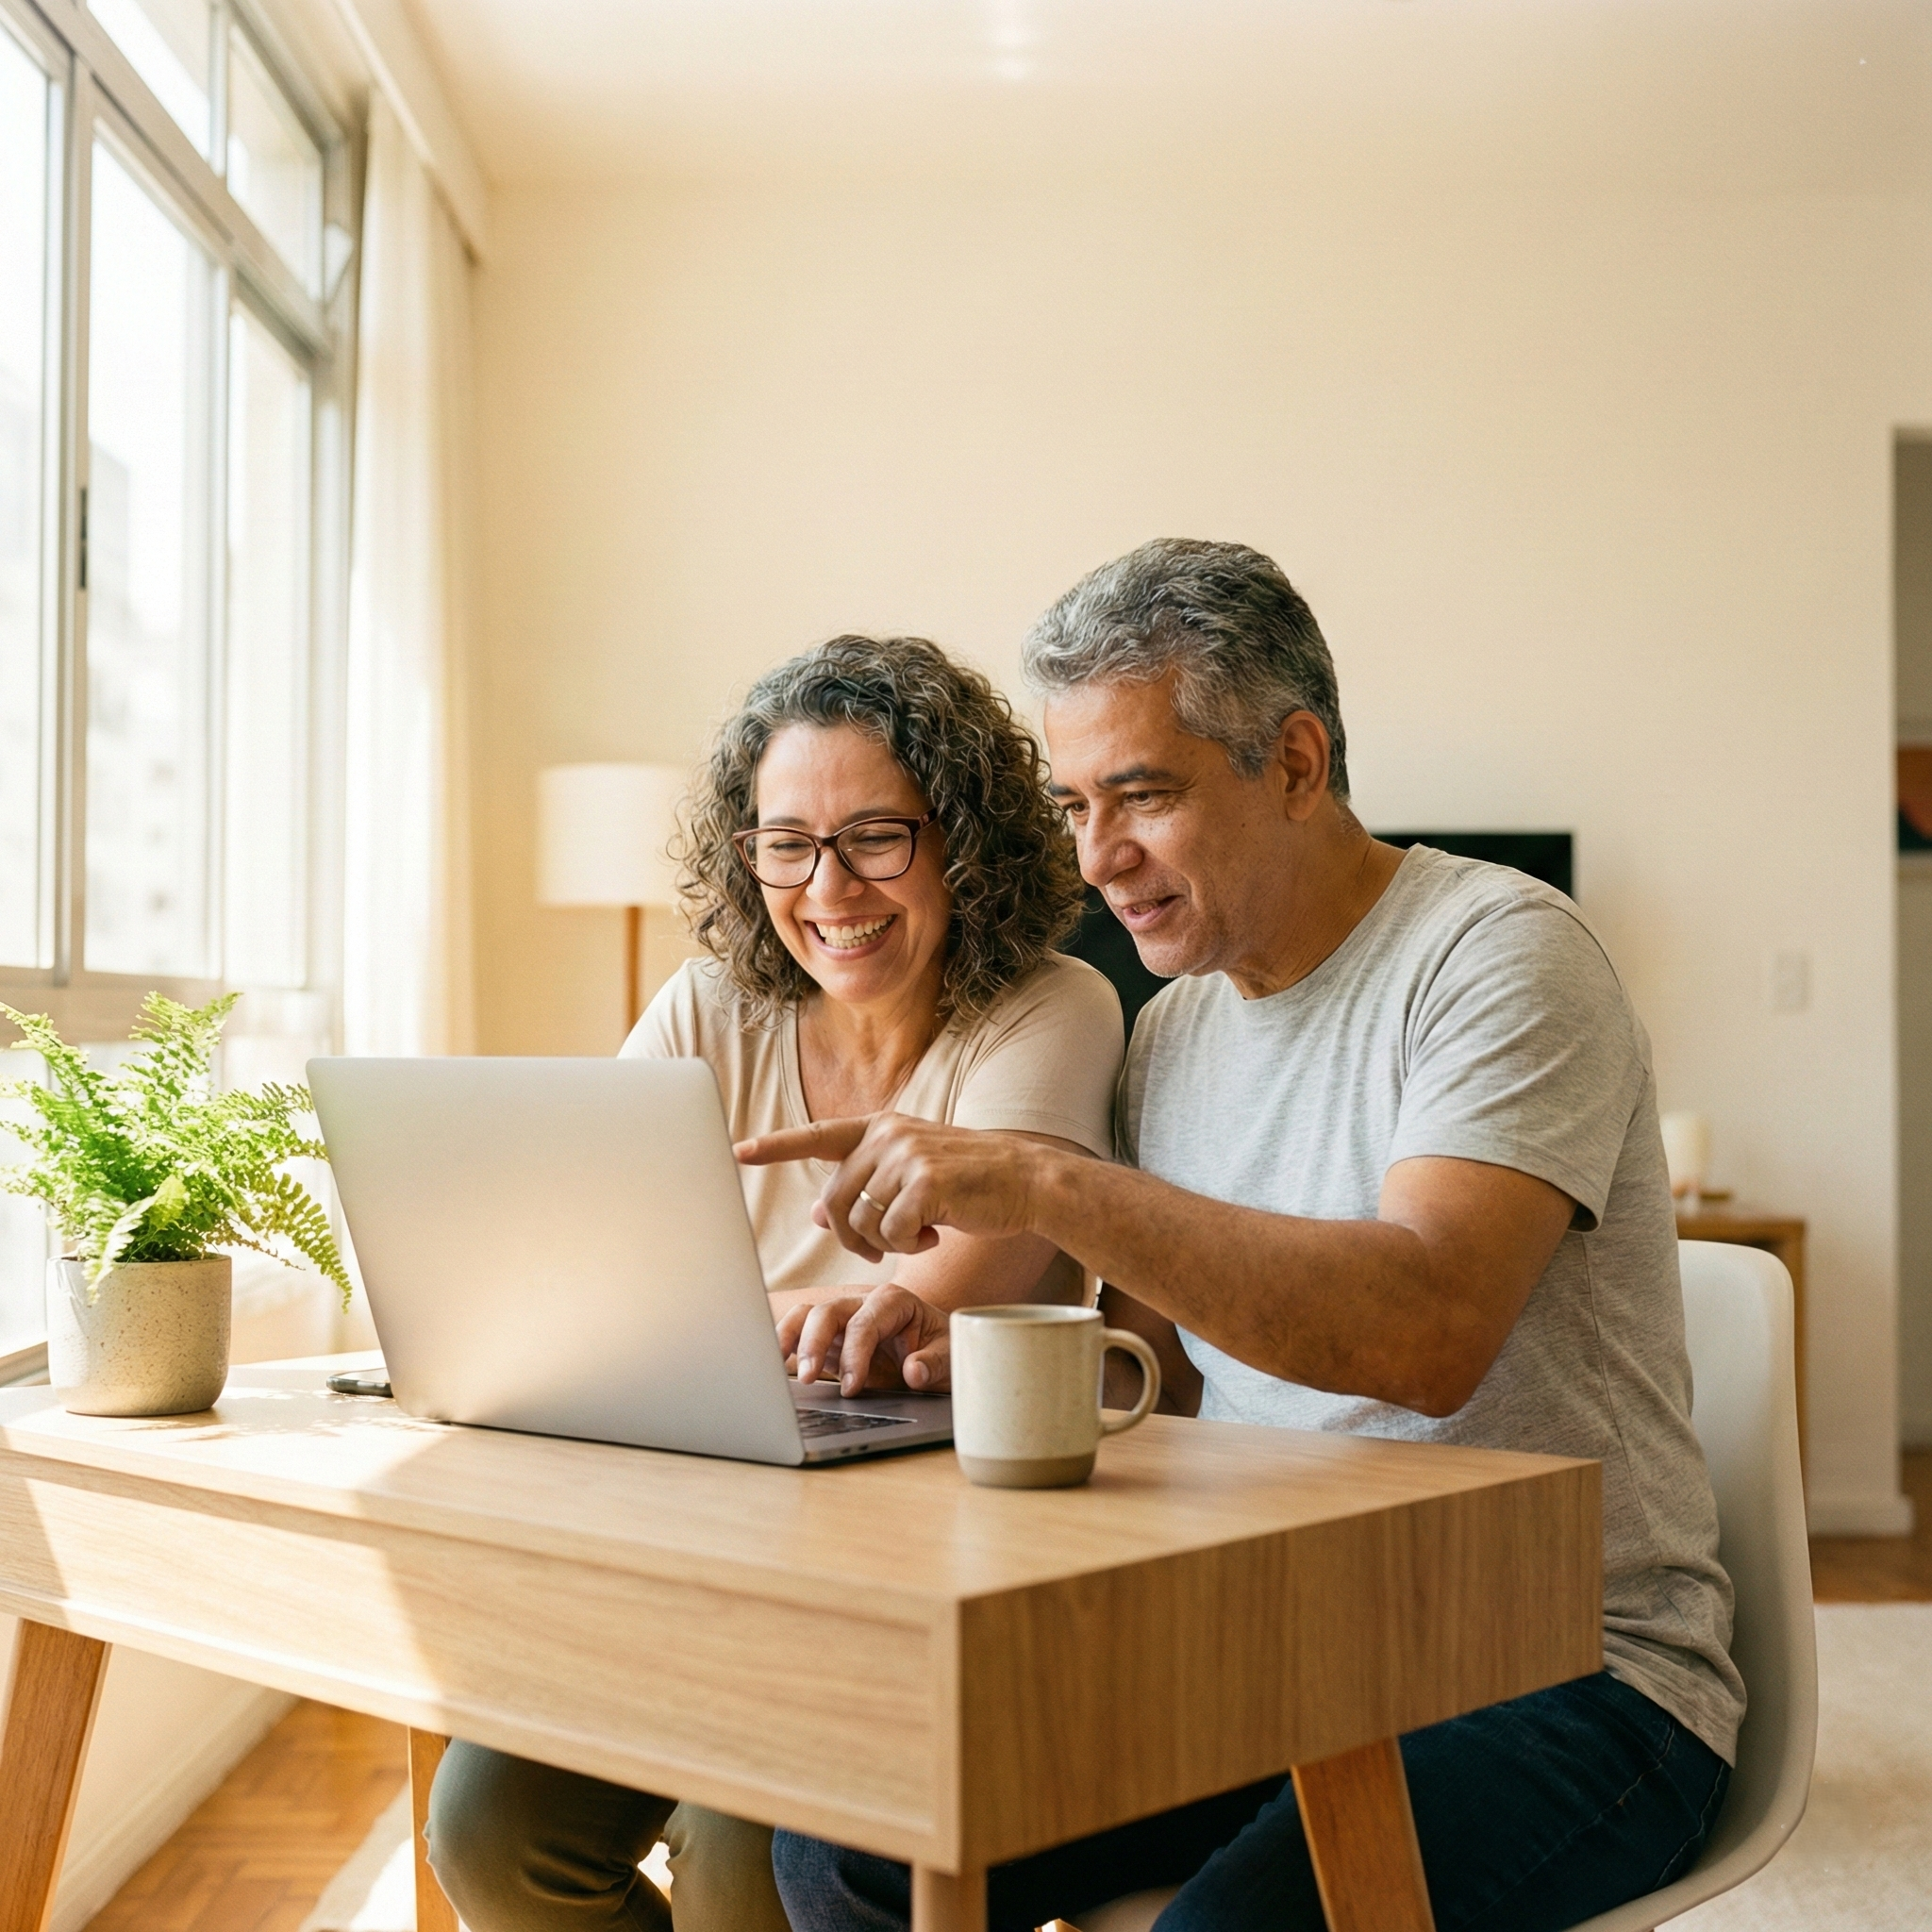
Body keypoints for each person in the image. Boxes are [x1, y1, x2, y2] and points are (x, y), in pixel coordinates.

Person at [745, 543, 1744, 1932]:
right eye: (1075, 805)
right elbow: (1156, 1385)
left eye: (1142, 796)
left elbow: (1425, 1333)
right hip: (1275, 1651)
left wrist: (1044, 1181)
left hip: (1566, 1670)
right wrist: (934, 1355)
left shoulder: (1501, 955)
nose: (1098, 860)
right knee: (847, 1842)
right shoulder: (1176, 1030)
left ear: (1293, 760)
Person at [425, 634, 1124, 1932]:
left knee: (749, 1880)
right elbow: (587, 1259)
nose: (827, 885)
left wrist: (691, 1324)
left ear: (961, 839)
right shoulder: (708, 1007)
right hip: (700, 1537)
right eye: (786, 842)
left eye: (874, 837)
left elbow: (963, 1281)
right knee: (490, 1835)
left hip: (920, 1560)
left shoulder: (1055, 1006)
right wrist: (725, 1324)